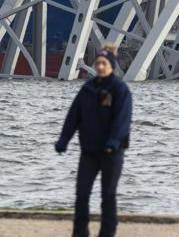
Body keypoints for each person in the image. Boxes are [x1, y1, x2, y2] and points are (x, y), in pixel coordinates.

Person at [56, 47, 134, 237]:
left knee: (108, 195)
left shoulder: (120, 89)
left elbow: (122, 120)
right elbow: (73, 116)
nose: (100, 67)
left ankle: (107, 234)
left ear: (111, 66)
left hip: (111, 153)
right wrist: (63, 140)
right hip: (89, 152)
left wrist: (113, 142)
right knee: (82, 194)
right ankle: (80, 233)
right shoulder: (87, 89)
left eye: (104, 63)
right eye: (98, 63)